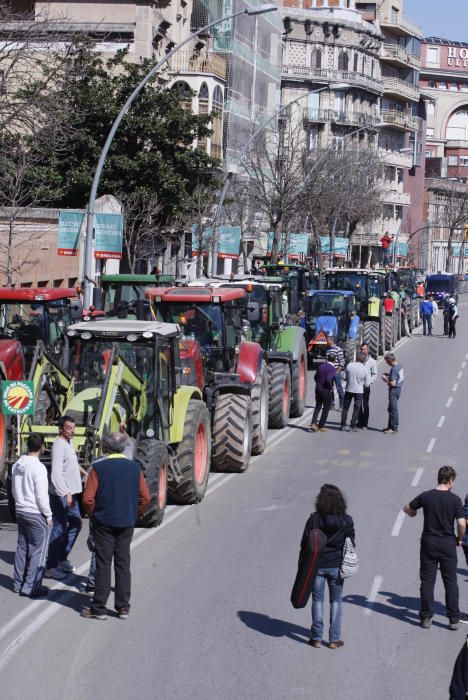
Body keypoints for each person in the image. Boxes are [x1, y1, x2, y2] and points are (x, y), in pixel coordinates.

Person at [81, 431, 151, 620]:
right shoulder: (134, 468)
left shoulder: (98, 468)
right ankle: (123, 607)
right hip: (126, 522)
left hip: (103, 522)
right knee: (123, 563)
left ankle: (99, 608)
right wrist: (135, 514)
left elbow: (88, 499)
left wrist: (93, 514)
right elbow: (145, 497)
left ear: (106, 447)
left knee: (103, 564)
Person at [403, 466, 465, 630]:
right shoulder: (455, 500)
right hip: (447, 544)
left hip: (429, 542)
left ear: (438, 478)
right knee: (450, 581)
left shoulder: (426, 496)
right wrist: (459, 538)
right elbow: (460, 523)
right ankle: (453, 619)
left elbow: (407, 508)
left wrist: (413, 514)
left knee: (427, 581)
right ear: (451, 480)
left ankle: (426, 618)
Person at [307, 484, 355, 649]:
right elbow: (351, 543)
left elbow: (305, 543)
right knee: (336, 601)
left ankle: (316, 637)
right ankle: (334, 639)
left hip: (316, 566)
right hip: (337, 566)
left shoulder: (314, 519)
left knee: (317, 600)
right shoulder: (346, 520)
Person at [12, 434, 52, 598]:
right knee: (39, 551)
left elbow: (13, 489)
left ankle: (17, 583)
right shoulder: (39, 467)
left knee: (22, 547)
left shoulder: (17, 465)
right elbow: (42, 496)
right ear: (42, 447)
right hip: (35, 512)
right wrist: (48, 515)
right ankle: (31, 587)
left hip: (20, 511)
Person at [46, 415, 86, 580]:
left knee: (76, 523)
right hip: (62, 494)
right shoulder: (59, 445)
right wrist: (66, 493)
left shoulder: (68, 443)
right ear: (60, 429)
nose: (72, 431)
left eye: (73, 428)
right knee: (59, 528)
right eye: (69, 428)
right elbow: (56, 473)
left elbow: (71, 463)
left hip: (71, 493)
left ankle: (61, 558)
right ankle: (50, 566)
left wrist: (85, 473)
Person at [340, 352, 370, 432]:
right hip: (359, 391)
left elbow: (343, 377)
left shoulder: (349, 365)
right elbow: (367, 383)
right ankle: (352, 426)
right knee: (356, 409)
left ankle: (343, 425)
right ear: (364, 360)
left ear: (356, 358)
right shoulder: (364, 369)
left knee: (345, 408)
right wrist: (361, 385)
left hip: (348, 389)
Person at [309, 353, 336, 433]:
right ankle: (321, 425)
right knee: (326, 408)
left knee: (318, 406)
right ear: (334, 360)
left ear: (327, 359)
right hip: (326, 390)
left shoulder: (321, 366)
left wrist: (318, 383)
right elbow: (328, 379)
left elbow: (315, 377)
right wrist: (330, 387)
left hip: (318, 388)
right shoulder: (332, 368)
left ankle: (313, 423)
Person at [381, 352, 403, 434]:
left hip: (394, 390)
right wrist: (388, 374)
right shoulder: (399, 366)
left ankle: (394, 428)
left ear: (389, 360)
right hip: (398, 390)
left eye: (386, 361)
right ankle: (390, 426)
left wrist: (385, 379)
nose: (386, 363)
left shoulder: (394, 369)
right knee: (390, 408)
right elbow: (397, 377)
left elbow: (393, 383)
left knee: (393, 409)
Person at [357, 343, 377, 430]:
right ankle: (359, 422)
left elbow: (374, 374)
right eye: (362, 349)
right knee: (358, 405)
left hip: (366, 387)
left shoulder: (372, 361)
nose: (363, 351)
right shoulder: (358, 359)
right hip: (358, 386)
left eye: (364, 349)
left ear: (368, 350)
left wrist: (370, 382)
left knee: (365, 405)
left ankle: (365, 423)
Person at [325, 336, 345, 411]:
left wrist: (338, 371)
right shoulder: (328, 350)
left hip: (336, 372)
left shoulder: (338, 350)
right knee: (330, 389)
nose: (326, 341)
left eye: (328, 340)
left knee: (339, 389)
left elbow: (342, 362)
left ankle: (341, 405)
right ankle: (332, 404)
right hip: (329, 372)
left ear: (332, 340)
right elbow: (326, 361)